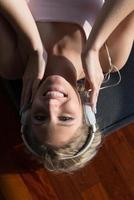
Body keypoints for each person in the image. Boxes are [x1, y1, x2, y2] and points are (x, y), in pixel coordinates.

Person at [0, 0, 133, 172]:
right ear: (86, 112)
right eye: (65, 118)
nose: (51, 106)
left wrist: (34, 48)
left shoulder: (12, 63)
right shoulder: (109, 57)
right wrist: (94, 46)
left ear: (27, 110)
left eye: (40, 117)